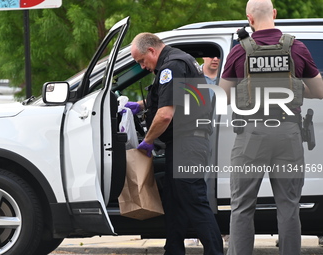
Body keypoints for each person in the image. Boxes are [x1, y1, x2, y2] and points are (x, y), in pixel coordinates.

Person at [218, 1, 323, 255]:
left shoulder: (239, 51)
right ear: (274, 14)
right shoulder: (296, 48)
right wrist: (294, 89)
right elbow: (319, 91)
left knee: (242, 207)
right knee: (289, 207)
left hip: (251, 135)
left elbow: (223, 96)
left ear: (249, 18)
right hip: (288, 133)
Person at [129, 32, 224, 255]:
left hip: (188, 144)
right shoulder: (176, 62)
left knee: (194, 202)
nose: (143, 66)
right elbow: (172, 96)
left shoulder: (172, 65)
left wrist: (148, 141)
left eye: (142, 60)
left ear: (151, 50)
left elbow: (165, 114)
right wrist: (142, 106)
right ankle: (173, 250)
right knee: (174, 203)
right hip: (181, 144)